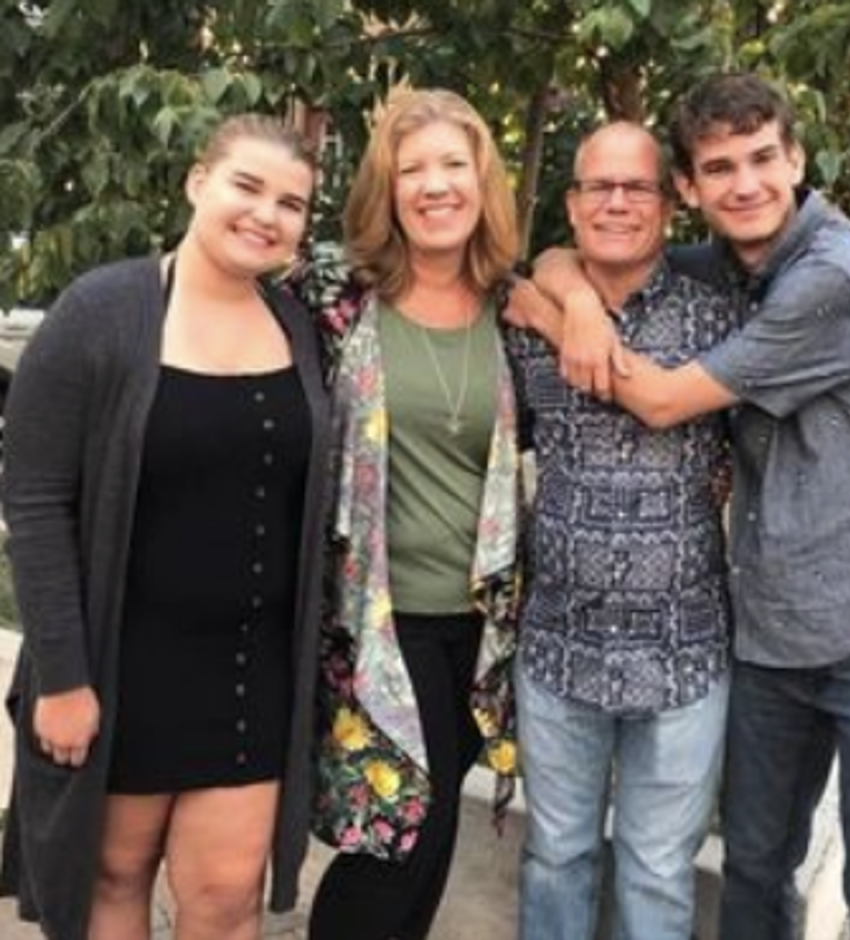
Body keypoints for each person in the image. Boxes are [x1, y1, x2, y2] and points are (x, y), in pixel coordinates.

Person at [531, 72, 850, 940]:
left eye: (765, 158)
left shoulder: (834, 274)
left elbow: (656, 400)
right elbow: (583, 254)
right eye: (720, 168)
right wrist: (571, 292)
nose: (747, 183)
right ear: (690, 189)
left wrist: (553, 324)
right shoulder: (729, 268)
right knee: (756, 868)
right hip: (771, 631)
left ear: (797, 158)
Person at [0, 114, 334, 940]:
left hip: (252, 672)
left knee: (226, 899)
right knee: (112, 879)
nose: (266, 215)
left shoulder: (297, 326)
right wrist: (66, 680)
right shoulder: (102, 311)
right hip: (120, 664)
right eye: (246, 187)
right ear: (197, 182)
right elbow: (36, 499)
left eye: (291, 204)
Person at [502, 122, 733, 940]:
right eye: (599, 185)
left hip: (684, 650)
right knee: (557, 855)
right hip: (561, 645)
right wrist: (570, 299)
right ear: (571, 202)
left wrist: (568, 313)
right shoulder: (522, 320)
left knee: (658, 873)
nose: (617, 202)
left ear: (670, 205)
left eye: (637, 187)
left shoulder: (720, 318)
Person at [305, 87, 523, 940]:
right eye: (412, 169)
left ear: (483, 180)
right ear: (386, 189)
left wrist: (572, 294)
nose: (435, 186)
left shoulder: (516, 308)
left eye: (453, 165)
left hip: (476, 631)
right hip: (371, 628)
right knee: (394, 840)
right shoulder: (334, 296)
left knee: (425, 849)